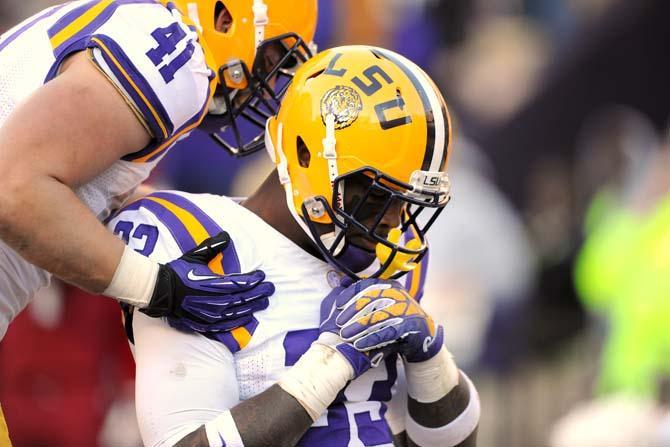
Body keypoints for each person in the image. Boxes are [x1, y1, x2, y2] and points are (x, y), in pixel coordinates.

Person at [108, 45, 480, 447]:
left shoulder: (395, 255)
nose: (392, 222)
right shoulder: (200, 244)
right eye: (376, 198)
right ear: (305, 155)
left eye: (404, 203)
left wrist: (433, 358)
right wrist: (328, 365)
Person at [0, 0, 317, 341]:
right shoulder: (179, 57)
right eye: (270, 58)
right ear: (224, 18)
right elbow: (14, 188)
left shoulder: (142, 25)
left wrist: (229, 224)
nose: (264, 81)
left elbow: (81, 193)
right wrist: (158, 286)